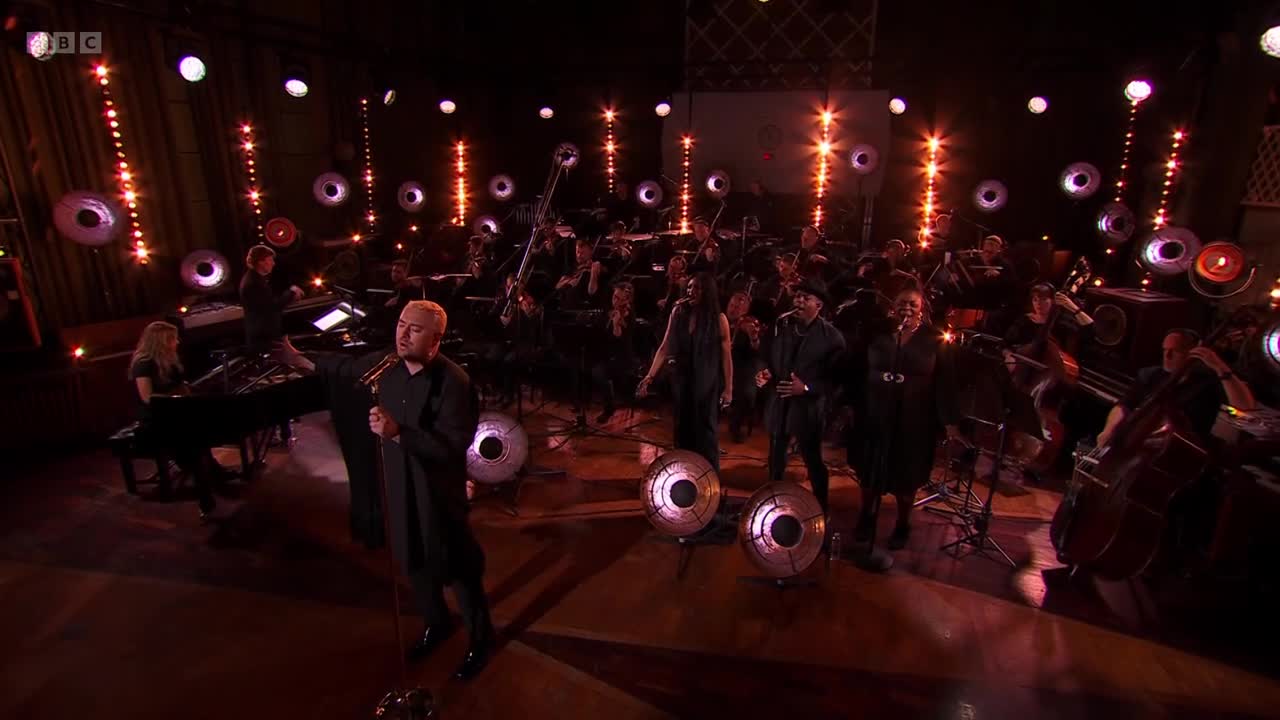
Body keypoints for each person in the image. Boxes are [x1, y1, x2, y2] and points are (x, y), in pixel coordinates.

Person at [276, 301, 493, 680]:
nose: (403, 334)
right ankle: (436, 622)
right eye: (401, 324)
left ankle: (480, 639)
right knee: (413, 558)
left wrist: (398, 433)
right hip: (399, 484)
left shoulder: (454, 383)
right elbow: (344, 366)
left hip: (437, 493)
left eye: (415, 329)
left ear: (435, 340)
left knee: (458, 565)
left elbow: (453, 445)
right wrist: (299, 359)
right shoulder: (387, 364)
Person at [848, 286, 961, 550]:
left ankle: (902, 524)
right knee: (870, 469)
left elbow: (946, 381)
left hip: (914, 418)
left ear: (922, 309)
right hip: (875, 412)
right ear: (893, 306)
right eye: (902, 303)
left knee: (906, 473)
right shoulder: (877, 331)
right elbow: (857, 368)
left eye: (912, 304)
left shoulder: (935, 339)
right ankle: (866, 516)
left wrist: (950, 421)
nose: (906, 308)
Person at [754, 279, 845, 513]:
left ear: (819, 305)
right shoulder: (781, 326)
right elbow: (765, 356)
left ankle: (821, 508)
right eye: (797, 297)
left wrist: (806, 388)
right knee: (776, 458)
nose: (799, 301)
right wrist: (764, 373)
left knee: (812, 459)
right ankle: (772, 504)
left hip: (808, 409)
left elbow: (837, 381)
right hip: (779, 404)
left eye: (806, 298)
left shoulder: (832, 337)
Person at [128, 321, 226, 518]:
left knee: (201, 429)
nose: (177, 342)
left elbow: (180, 386)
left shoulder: (168, 360)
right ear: (160, 341)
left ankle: (211, 473)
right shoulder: (143, 363)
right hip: (156, 417)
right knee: (189, 442)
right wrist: (177, 399)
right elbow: (148, 398)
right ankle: (204, 486)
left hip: (175, 412)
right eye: (172, 338)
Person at [1095, 329, 1257, 448]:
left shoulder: (1208, 382)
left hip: (1181, 453)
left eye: (1175, 351)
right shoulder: (1149, 375)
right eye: (1165, 350)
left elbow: (1245, 405)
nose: (1167, 356)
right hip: (1141, 447)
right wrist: (1109, 430)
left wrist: (1219, 367)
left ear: (1192, 353)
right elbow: (1124, 405)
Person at [638, 272, 733, 471]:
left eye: (696, 287)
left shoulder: (719, 319)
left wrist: (728, 389)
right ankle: (684, 472)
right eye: (689, 287)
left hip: (707, 382)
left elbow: (726, 357)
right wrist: (649, 376)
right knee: (682, 429)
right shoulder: (678, 313)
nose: (691, 291)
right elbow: (665, 346)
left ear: (707, 291)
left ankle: (709, 476)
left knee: (705, 432)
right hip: (682, 379)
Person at [239, 244, 303, 352]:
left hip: (264, 335)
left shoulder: (255, 278)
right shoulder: (254, 283)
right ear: (261, 261)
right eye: (270, 260)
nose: (273, 263)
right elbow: (272, 307)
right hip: (263, 338)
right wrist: (292, 292)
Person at [592, 282, 641, 423]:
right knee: (592, 365)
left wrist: (616, 323)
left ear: (628, 300)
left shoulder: (629, 315)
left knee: (599, 372)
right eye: (615, 297)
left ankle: (609, 407)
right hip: (608, 354)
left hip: (623, 357)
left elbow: (618, 337)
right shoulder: (608, 311)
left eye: (620, 299)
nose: (616, 301)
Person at [726, 291, 763, 443]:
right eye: (732, 305)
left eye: (738, 307)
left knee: (747, 393)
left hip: (743, 365)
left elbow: (757, 348)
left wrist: (753, 337)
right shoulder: (720, 319)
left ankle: (735, 426)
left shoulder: (750, 324)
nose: (733, 309)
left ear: (746, 310)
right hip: (722, 363)